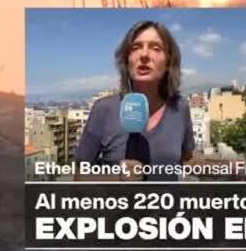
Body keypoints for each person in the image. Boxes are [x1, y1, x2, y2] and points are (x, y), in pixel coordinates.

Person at [75, 20, 197, 181]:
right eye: (136, 47)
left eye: (155, 48)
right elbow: (79, 176)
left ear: (169, 62)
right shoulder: (104, 109)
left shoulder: (180, 107)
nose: (144, 55)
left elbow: (185, 160)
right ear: (127, 61)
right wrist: (116, 178)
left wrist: (221, 165)